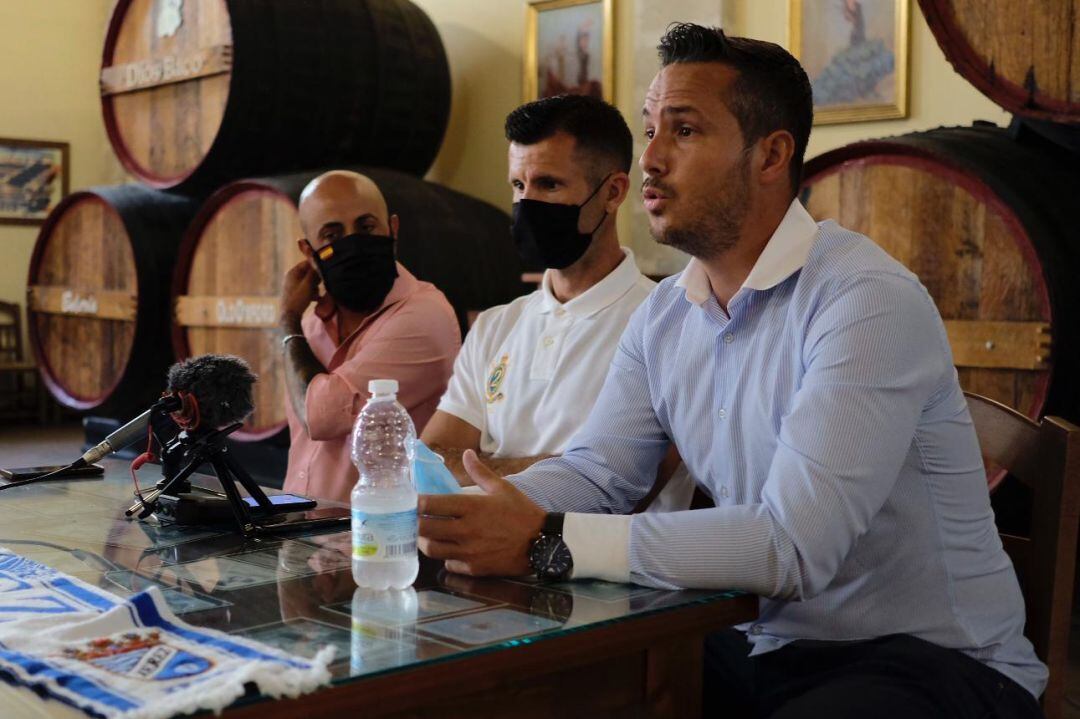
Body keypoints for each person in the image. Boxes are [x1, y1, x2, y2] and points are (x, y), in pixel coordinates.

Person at [417, 24, 1046, 718]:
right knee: (525, 689)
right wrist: (466, 515)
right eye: (650, 129)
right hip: (756, 639)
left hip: (931, 660)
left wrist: (547, 540)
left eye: (684, 131)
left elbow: (793, 546)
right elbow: (600, 473)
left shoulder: (864, 299)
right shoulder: (665, 315)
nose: (651, 159)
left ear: (771, 154)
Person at [420, 94, 693, 512]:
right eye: (518, 185)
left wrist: (482, 465)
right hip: (479, 547)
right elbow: (430, 459)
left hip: (606, 554)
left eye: (549, 184)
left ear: (613, 192)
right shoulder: (496, 325)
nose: (527, 204)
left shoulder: (669, 320)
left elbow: (625, 487)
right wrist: (565, 466)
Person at [280, 170, 460, 504]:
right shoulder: (310, 324)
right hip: (297, 525)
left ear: (392, 229)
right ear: (309, 251)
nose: (353, 243)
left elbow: (319, 417)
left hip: (381, 529)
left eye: (366, 227)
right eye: (332, 235)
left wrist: (286, 320)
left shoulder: (424, 315)